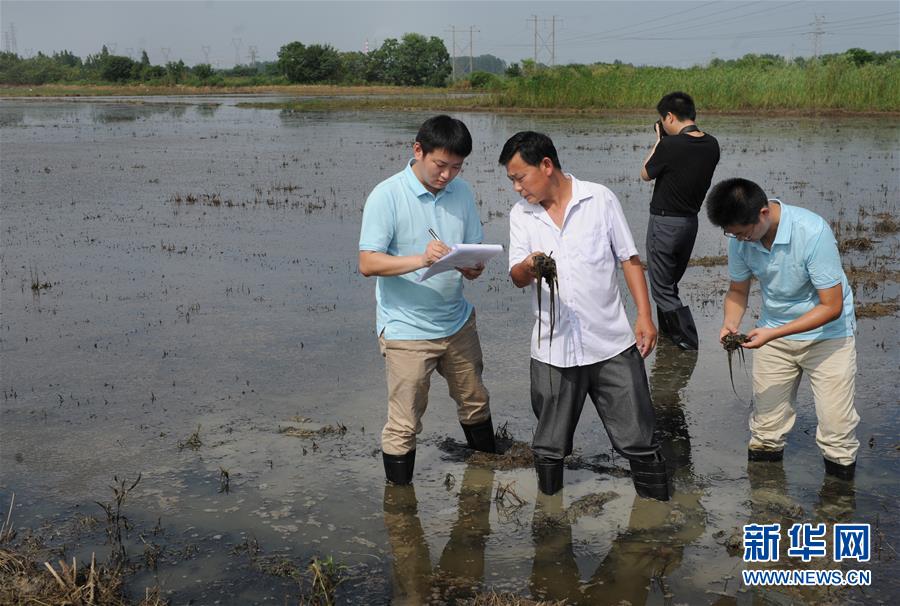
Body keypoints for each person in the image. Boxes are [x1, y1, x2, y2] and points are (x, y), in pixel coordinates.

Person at [501, 130, 668, 500]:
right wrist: (530, 265)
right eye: (512, 180)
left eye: (520, 177)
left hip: (611, 344)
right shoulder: (521, 215)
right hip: (552, 350)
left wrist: (644, 316)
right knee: (549, 446)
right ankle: (549, 519)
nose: (517, 188)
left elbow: (629, 259)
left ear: (546, 165)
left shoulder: (599, 199)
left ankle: (657, 518)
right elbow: (516, 277)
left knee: (640, 439)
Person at [358, 115, 496, 485]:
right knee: (404, 424)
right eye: (440, 165)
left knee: (476, 402)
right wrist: (421, 259)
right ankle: (399, 503)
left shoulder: (462, 192)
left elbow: (472, 248)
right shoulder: (386, 195)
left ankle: (486, 480)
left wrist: (472, 267)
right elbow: (368, 263)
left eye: (457, 167)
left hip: (457, 322)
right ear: (418, 150)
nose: (447, 175)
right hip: (406, 329)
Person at [706, 177, 859, 480]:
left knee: (837, 431)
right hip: (774, 335)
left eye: (743, 233)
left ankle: (838, 503)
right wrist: (730, 324)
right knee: (766, 430)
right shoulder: (740, 240)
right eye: (732, 234)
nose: (740, 240)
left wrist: (773, 334)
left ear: (763, 213)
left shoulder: (812, 232)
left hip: (827, 336)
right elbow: (738, 290)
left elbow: (831, 306)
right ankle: (764, 499)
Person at [640, 91, 720, 350]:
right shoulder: (712, 144)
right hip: (689, 224)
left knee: (662, 289)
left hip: (664, 225)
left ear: (670, 117)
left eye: (663, 120)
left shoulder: (669, 146)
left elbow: (645, 173)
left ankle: (687, 344)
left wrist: (659, 140)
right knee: (669, 285)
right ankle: (669, 338)